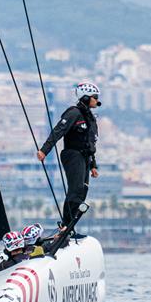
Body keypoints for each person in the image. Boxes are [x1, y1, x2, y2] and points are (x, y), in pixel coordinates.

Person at [37, 82, 101, 229]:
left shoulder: (90, 118)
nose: (97, 100)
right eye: (94, 97)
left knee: (83, 191)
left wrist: (93, 165)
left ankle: (70, 225)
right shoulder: (73, 113)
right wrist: (44, 150)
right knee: (76, 189)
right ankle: (65, 224)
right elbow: (58, 131)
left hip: (85, 157)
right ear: (85, 98)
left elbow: (90, 143)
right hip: (72, 155)